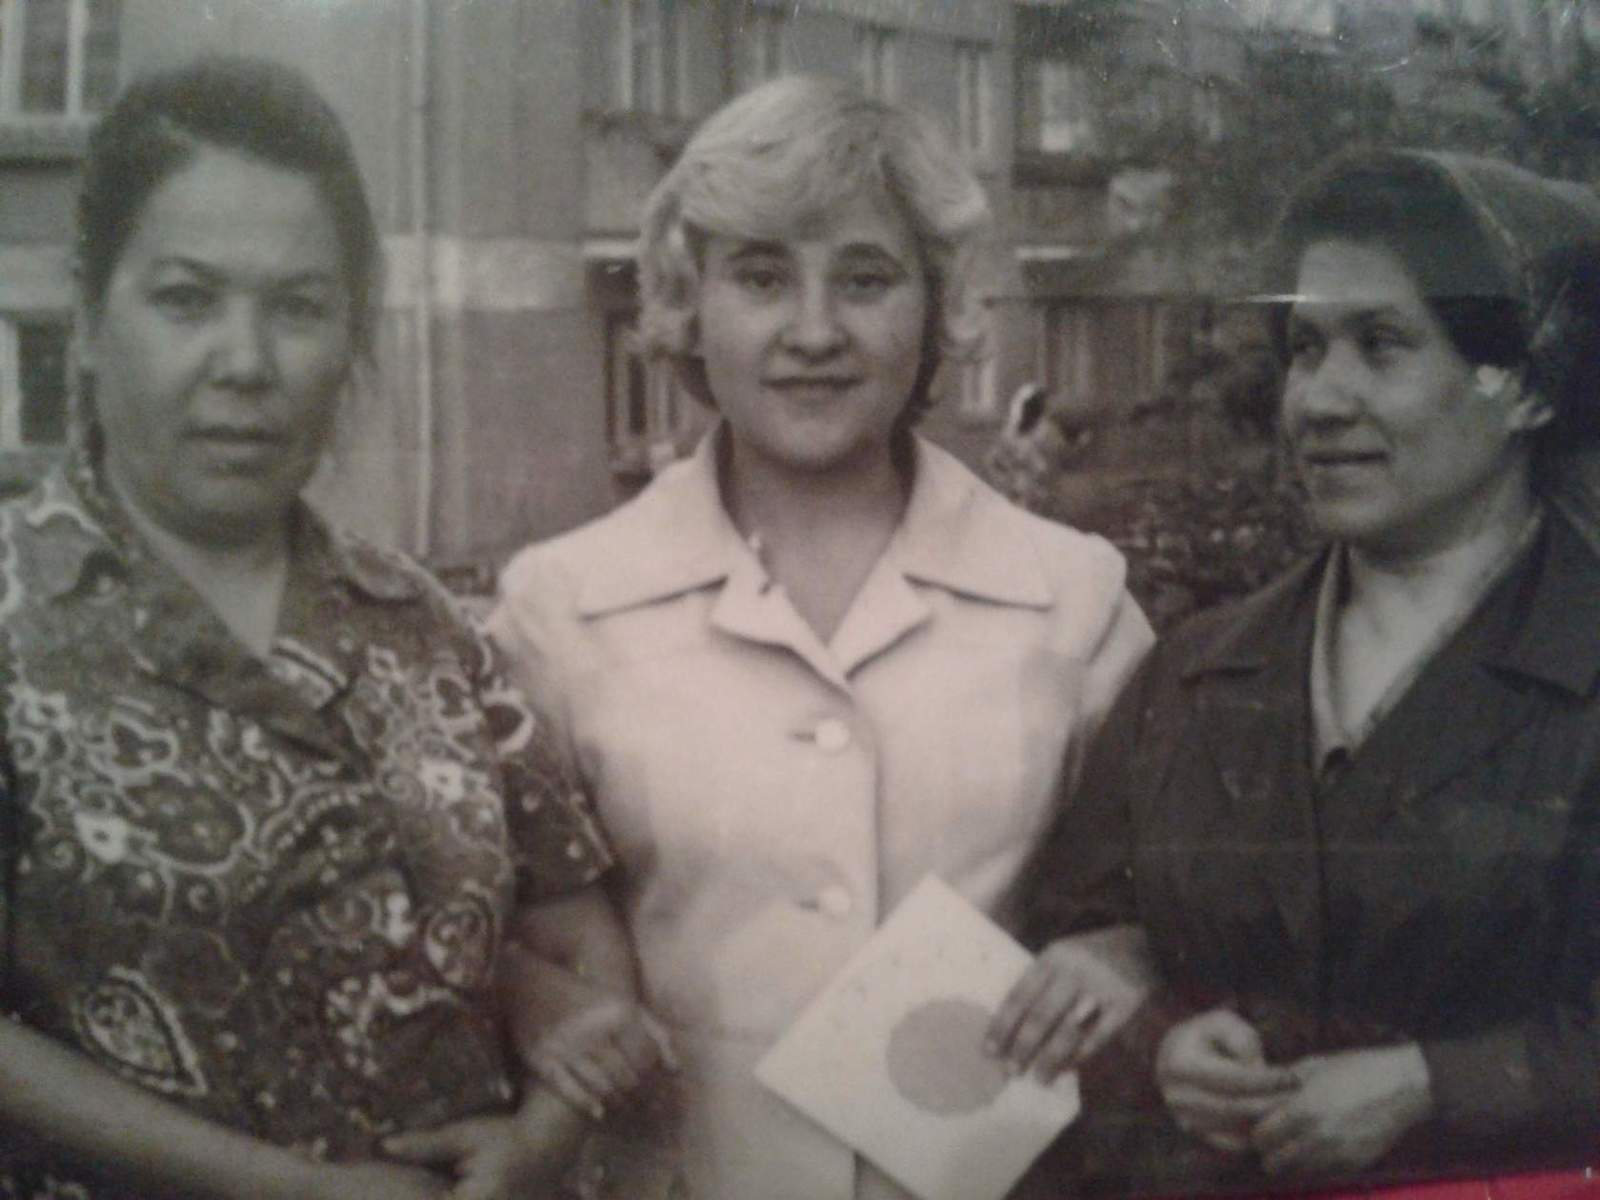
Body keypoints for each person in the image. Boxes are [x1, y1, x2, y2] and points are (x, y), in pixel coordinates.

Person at [0, 56, 659, 1200]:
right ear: (92, 318)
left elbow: (574, 930)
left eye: (298, 309)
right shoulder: (15, 616)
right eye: (187, 300)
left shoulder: (424, 624)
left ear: (350, 336)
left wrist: (543, 1135)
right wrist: (282, 1189)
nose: (246, 365)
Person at [487, 75, 1153, 1200]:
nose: (812, 332)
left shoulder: (1073, 598)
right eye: (759, 277)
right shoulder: (561, 605)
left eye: (865, 279)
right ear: (687, 303)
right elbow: (468, 919)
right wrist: (532, 995)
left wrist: (1122, 953)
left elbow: (1169, 901)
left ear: (940, 310)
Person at [1000, 148, 1600, 1198]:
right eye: (1304, 348)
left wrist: (1435, 1085)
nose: (1317, 400)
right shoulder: (1192, 670)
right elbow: (1082, 926)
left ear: (1529, 389)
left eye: (1381, 346)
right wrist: (1153, 1036)